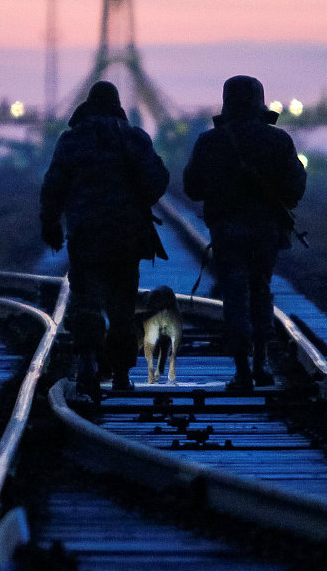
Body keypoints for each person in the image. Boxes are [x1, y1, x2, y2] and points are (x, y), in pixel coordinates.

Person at [40, 81, 169, 394]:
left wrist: (51, 224)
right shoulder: (134, 138)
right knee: (123, 304)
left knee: (87, 300)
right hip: (126, 236)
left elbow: (53, 186)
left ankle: (87, 362)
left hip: (85, 235)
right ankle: (122, 374)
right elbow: (157, 181)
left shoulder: (71, 140)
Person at [183, 75, 306, 392]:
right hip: (265, 231)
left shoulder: (210, 142)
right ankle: (261, 362)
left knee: (234, 293)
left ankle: (241, 369)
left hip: (226, 230)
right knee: (261, 290)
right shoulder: (278, 141)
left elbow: (192, 188)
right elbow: (295, 186)